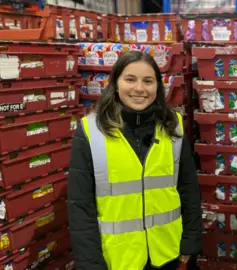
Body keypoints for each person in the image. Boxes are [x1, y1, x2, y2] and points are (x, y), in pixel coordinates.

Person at [68, 51, 203, 270]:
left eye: (148, 81)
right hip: (117, 259)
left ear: (157, 87)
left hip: (168, 253)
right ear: (115, 83)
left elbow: (188, 189)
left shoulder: (173, 126)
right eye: (130, 79)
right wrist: (90, 263)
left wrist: (190, 243)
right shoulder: (90, 131)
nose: (139, 89)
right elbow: (80, 207)